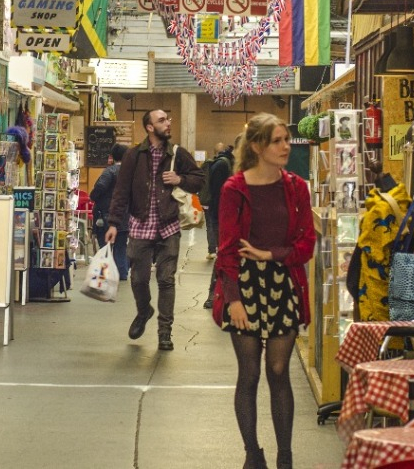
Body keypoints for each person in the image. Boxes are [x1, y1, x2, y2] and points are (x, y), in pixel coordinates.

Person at [212, 113, 316, 469]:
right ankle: (253, 454)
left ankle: (285, 456)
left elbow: (307, 244)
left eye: (287, 139)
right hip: (243, 285)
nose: (287, 146)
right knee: (250, 373)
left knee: (277, 369)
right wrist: (234, 299)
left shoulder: (297, 187)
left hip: (283, 283)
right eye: (278, 140)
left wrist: (271, 254)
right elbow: (226, 248)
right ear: (257, 146)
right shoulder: (234, 189)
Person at [105, 109, 203, 351]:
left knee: (166, 280)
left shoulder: (178, 154)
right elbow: (121, 191)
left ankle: (164, 332)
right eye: (162, 120)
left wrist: (180, 179)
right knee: (138, 279)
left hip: (169, 226)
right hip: (140, 226)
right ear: (149, 127)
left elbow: (199, 179)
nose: (168, 123)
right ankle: (143, 310)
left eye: (168, 119)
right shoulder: (133, 156)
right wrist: (114, 223)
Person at [88, 142, 129, 279]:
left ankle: (104, 275)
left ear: (112, 156)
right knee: (121, 247)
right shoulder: (131, 173)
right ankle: (122, 274)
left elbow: (100, 186)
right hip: (124, 216)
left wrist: (93, 197)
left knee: (104, 247)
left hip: (105, 215)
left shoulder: (109, 171)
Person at [203, 142, 235, 308]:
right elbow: (217, 192)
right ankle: (214, 296)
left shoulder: (227, 164)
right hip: (223, 216)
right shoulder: (223, 165)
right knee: (224, 256)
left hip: (225, 216)